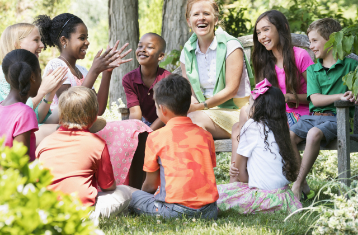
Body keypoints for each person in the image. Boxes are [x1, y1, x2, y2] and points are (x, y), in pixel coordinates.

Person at [35, 13, 152, 188]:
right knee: (133, 127)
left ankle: (138, 189)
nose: (87, 42)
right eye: (82, 38)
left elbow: (97, 110)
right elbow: (71, 105)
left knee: (138, 128)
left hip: (87, 126)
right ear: (64, 41)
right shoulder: (56, 65)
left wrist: (107, 73)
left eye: (87, 38)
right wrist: (95, 72)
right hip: (65, 128)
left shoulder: (82, 70)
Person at [230, 10, 314, 170]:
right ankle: (239, 173)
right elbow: (261, 93)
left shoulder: (300, 56)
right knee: (239, 122)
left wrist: (289, 97)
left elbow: (315, 96)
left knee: (244, 121)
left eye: (266, 29)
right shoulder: (264, 61)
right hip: (275, 114)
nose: (261, 36)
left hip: (300, 115)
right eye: (258, 32)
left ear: (282, 28)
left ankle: (242, 174)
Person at [128, 74, 219, 219]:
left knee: (126, 192)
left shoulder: (155, 137)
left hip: (173, 211)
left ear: (162, 109)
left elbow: (150, 186)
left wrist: (143, 194)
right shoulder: (206, 135)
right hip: (209, 211)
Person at [36, 86, 132, 219]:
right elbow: (108, 186)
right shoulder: (97, 143)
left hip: (47, 211)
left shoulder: (45, 143)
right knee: (125, 192)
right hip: (81, 212)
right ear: (93, 118)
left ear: (61, 116)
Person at [290, 18, 358, 200]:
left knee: (313, 134)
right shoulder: (313, 70)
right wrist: (339, 96)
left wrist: (353, 95)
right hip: (312, 117)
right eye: (309, 41)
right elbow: (316, 99)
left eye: (314, 40)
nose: (310, 46)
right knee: (287, 136)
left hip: (337, 118)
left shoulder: (351, 66)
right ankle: (303, 183)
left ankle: (296, 185)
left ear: (331, 40)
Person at [218, 79, 301, 214]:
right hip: (285, 198)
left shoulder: (252, 125)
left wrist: (240, 174)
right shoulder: (282, 128)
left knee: (215, 194)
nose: (247, 106)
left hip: (262, 198)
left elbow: (241, 174)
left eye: (250, 102)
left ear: (259, 106)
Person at [180, 0, 253, 139]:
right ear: (189, 21)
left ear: (216, 19)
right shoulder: (187, 52)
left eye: (206, 13)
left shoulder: (231, 46)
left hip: (237, 112)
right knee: (177, 123)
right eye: (196, 14)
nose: (201, 18)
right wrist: (193, 103)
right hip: (202, 111)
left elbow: (231, 90)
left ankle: (201, 161)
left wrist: (200, 107)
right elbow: (189, 90)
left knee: (192, 121)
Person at [0, 23, 67, 125]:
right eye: (36, 40)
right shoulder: (3, 74)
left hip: (32, 129)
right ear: (17, 44)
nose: (42, 45)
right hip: (13, 134)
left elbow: (37, 118)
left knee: (66, 110)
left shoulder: (29, 72)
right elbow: (14, 115)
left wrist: (50, 94)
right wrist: (42, 90)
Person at [122, 33, 170, 130]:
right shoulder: (129, 79)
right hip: (144, 123)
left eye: (149, 47)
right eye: (140, 46)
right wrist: (135, 133)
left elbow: (166, 113)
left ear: (160, 56)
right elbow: (135, 113)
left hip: (166, 121)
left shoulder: (168, 79)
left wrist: (149, 134)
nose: (142, 49)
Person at [0, 49, 42, 161]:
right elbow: (21, 164)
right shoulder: (25, 113)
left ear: (6, 78)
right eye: (40, 73)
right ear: (33, 77)